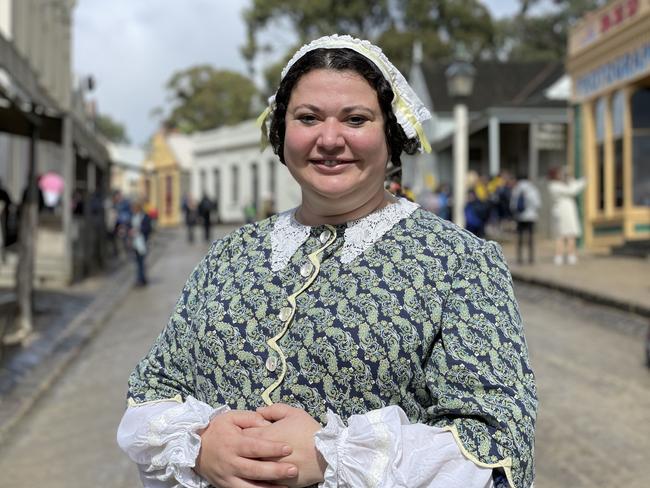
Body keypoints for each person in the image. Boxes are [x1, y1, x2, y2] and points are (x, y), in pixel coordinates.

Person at [117, 35, 536, 488]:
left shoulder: (459, 263)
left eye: (356, 119)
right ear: (282, 132)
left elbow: (499, 445)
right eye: (308, 118)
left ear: (390, 133)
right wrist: (202, 445)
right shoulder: (228, 254)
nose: (330, 139)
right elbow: (152, 391)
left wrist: (331, 454)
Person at [548, 166, 586, 265]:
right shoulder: (555, 186)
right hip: (564, 212)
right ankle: (566, 255)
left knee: (566, 234)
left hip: (564, 212)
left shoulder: (558, 185)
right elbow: (571, 190)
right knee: (566, 234)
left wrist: (569, 178)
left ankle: (567, 255)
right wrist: (582, 181)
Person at [510, 173, 541, 265]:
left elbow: (512, 205)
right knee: (530, 238)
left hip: (519, 217)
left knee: (520, 238)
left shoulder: (516, 189)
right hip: (531, 217)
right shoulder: (533, 188)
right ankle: (530, 258)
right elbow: (537, 204)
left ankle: (520, 258)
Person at [130, 200, 152, 286]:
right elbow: (130, 226)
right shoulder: (133, 217)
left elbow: (148, 229)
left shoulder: (145, 217)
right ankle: (140, 278)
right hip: (135, 242)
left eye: (134, 208)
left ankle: (142, 279)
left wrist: (139, 230)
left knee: (142, 262)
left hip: (143, 242)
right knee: (137, 262)